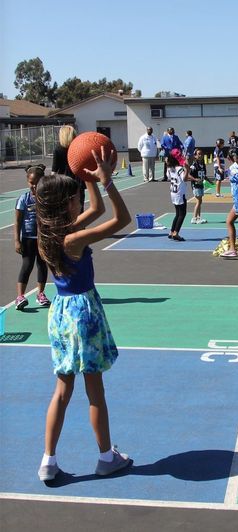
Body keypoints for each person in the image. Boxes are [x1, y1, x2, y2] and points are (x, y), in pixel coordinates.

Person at [35, 147, 132, 481]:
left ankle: (48, 462)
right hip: (82, 313)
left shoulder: (49, 235)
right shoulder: (72, 239)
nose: (80, 201)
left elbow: (97, 209)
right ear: (66, 206)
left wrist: (88, 179)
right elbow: (120, 219)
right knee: (95, 392)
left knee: (62, 391)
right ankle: (107, 457)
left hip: (61, 313)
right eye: (76, 197)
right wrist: (107, 182)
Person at [14, 164, 50, 310]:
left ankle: (40, 294)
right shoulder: (23, 199)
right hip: (28, 238)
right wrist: (17, 240)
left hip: (44, 238)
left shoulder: (47, 198)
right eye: (31, 183)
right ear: (27, 181)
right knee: (27, 265)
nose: (34, 186)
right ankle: (20, 296)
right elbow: (17, 221)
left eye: (37, 183)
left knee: (42, 265)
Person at [52, 125, 85, 209]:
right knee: (79, 207)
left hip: (63, 181)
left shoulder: (58, 149)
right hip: (78, 180)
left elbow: (54, 170)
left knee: (64, 209)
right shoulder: (78, 148)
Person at [167, 148, 191, 241]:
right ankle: (176, 233)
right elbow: (184, 178)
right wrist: (187, 170)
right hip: (179, 193)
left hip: (173, 192)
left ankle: (171, 231)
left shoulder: (170, 168)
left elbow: (169, 178)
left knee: (177, 213)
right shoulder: (179, 168)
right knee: (182, 214)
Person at [190, 148, 210, 224]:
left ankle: (198, 217)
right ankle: (194, 218)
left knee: (200, 201)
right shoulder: (194, 165)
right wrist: (195, 179)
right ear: (195, 155)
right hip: (195, 185)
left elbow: (204, 175)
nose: (200, 155)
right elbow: (189, 175)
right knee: (198, 201)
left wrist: (209, 181)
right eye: (198, 154)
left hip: (201, 185)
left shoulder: (203, 164)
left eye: (201, 154)